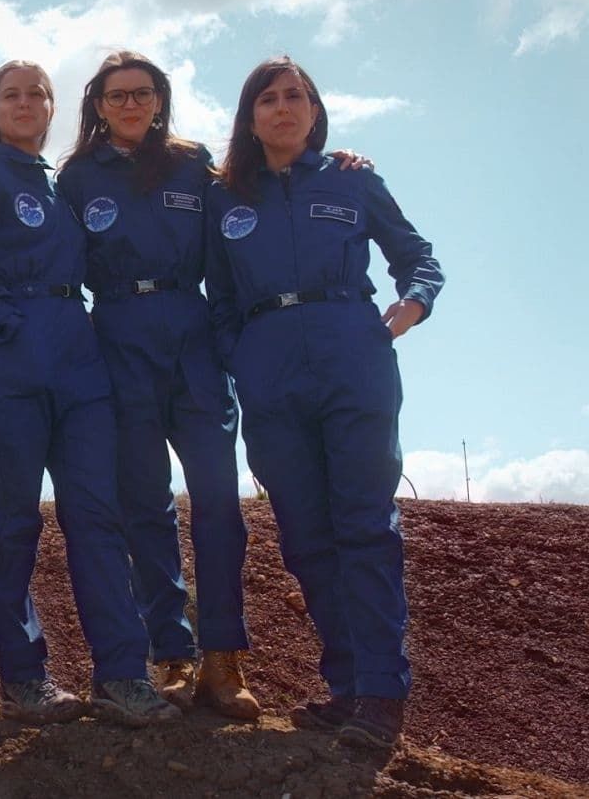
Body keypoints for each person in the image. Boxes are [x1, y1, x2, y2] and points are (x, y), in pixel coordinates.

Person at [204, 56, 442, 749]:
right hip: (269, 365)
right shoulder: (225, 197)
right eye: (270, 99)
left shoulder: (353, 177)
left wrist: (413, 304)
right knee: (306, 536)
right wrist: (239, 357)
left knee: (365, 524)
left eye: (297, 97)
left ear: (315, 111)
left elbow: (416, 254)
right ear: (250, 117)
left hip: (351, 353)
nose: (284, 108)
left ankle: (382, 693)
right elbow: (218, 296)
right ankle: (346, 687)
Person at [0, 60, 180, 730]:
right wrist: (7, 324)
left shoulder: (61, 184)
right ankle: (23, 678)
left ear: (54, 110)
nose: (24, 103)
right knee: (14, 521)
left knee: (97, 517)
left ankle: (122, 674)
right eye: (11, 95)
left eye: (37, 94)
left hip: (79, 360)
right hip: (9, 361)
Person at [57, 50, 260, 720]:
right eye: (116, 96)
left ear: (160, 100)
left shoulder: (194, 163)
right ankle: (171, 653)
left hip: (192, 333)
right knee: (144, 505)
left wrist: (344, 159)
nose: (130, 105)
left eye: (141, 93)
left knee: (217, 502)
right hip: (118, 333)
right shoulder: (79, 177)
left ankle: (223, 659)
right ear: (98, 106)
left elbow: (251, 198)